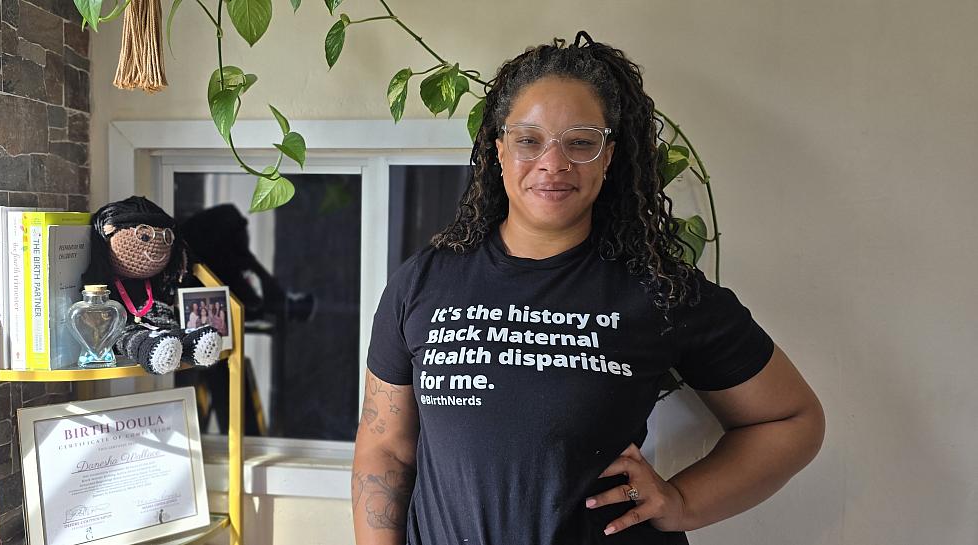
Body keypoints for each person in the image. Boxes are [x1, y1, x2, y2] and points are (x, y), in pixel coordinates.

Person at [351, 31, 824, 545]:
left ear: (609, 156)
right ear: (499, 149)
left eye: (580, 142)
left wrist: (684, 501)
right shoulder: (423, 283)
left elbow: (791, 420)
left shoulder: (657, 289)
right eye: (529, 139)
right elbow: (386, 448)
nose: (553, 163)